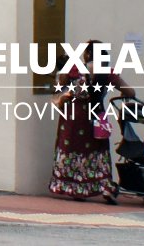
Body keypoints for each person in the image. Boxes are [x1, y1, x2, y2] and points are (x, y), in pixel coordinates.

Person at [48, 39, 133, 200]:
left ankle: (76, 188)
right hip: (96, 116)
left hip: (73, 118)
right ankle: (105, 188)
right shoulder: (107, 72)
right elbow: (130, 92)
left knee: (72, 150)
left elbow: (60, 86)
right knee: (97, 152)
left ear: (87, 54)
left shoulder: (74, 70)